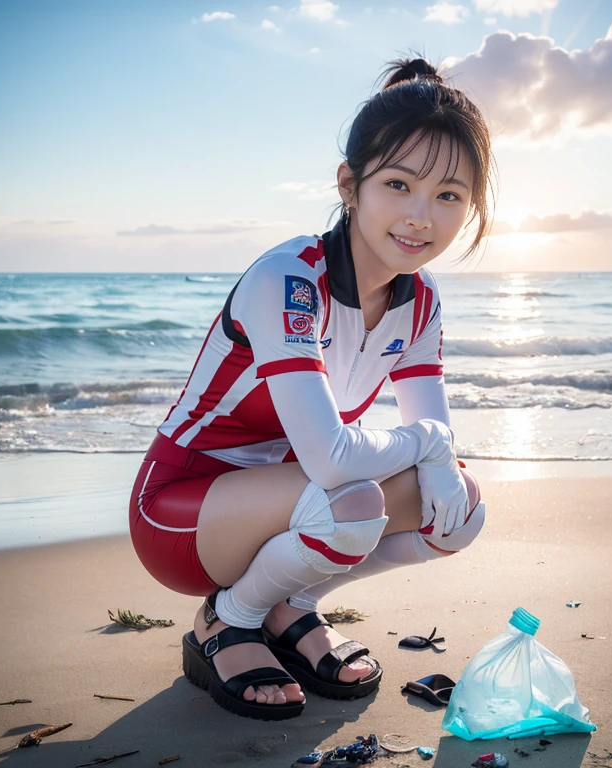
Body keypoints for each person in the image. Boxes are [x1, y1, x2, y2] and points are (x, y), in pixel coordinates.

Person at [129, 56, 495, 720]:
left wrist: (439, 455)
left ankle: (290, 606)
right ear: (350, 186)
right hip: (180, 513)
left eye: (449, 195)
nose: (421, 216)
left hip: (300, 501)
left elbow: (429, 440)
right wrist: (430, 445)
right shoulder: (289, 280)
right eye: (398, 184)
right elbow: (333, 459)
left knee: (461, 507)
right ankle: (229, 619)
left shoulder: (421, 301)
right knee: (350, 501)